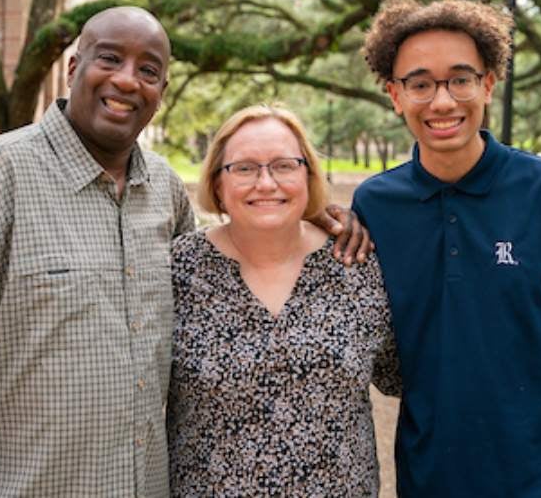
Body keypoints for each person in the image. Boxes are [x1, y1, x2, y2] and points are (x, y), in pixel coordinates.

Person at [0, 7, 368, 497]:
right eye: (110, 59)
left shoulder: (163, 191)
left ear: (161, 91)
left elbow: (233, 258)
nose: (127, 81)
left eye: (149, 70)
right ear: (74, 69)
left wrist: (310, 217)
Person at [351, 0, 541, 497]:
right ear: (394, 95)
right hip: (427, 481)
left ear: (488, 84)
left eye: (460, 79)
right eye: (419, 84)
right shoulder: (374, 206)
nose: (442, 101)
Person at [167, 105, 400, 497]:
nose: (266, 183)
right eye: (244, 168)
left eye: (284, 166)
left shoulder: (356, 264)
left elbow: (405, 376)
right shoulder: (176, 271)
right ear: (217, 184)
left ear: (309, 176)